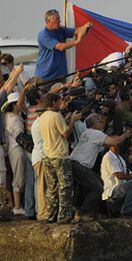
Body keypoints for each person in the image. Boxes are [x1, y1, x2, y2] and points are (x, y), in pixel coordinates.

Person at [69, 113, 132, 221]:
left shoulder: (87, 133)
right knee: (98, 188)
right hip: (80, 165)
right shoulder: (96, 133)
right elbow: (114, 142)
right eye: (100, 122)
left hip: (73, 163)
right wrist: (126, 134)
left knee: (95, 184)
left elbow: (104, 145)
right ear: (94, 123)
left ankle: (91, 212)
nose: (102, 124)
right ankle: (82, 213)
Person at [39, 93, 82, 223]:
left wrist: (67, 119)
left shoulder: (43, 116)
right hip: (60, 156)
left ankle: (50, 216)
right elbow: (65, 134)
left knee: (52, 187)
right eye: (59, 101)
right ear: (53, 102)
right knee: (65, 187)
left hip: (48, 155)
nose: (60, 104)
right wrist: (73, 121)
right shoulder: (56, 116)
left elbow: (56, 129)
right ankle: (63, 217)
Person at [35, 9, 92, 81]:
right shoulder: (43, 35)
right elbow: (60, 47)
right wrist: (76, 41)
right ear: (48, 21)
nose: (60, 21)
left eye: (59, 18)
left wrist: (86, 26)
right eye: (57, 19)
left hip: (60, 75)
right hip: (45, 77)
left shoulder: (60, 30)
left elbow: (76, 31)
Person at [101, 143, 132, 217]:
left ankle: (121, 210)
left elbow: (128, 174)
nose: (118, 144)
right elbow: (119, 175)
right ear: (110, 144)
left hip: (123, 188)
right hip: (113, 191)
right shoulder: (108, 157)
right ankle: (125, 212)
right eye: (115, 142)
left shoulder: (120, 158)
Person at [2, 92, 29, 215]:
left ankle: (17, 205)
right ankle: (17, 206)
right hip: (16, 149)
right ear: (13, 105)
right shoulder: (13, 119)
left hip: (14, 149)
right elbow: (19, 137)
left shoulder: (10, 115)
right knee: (18, 177)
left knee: (17, 176)